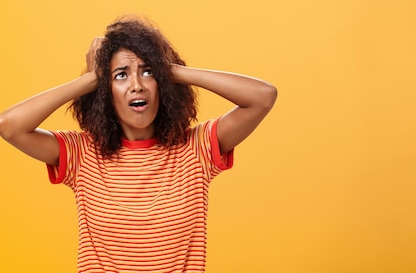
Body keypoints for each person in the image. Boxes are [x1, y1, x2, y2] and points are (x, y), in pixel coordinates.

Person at [0, 17, 277, 272]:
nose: (137, 86)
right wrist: (89, 80)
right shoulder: (81, 153)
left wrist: (173, 71)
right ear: (106, 92)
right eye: (120, 75)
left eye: (147, 73)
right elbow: (9, 126)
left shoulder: (197, 148)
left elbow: (263, 97)